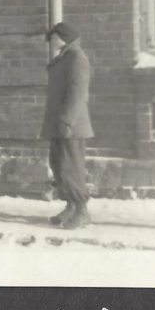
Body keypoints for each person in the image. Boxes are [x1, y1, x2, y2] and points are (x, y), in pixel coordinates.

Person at [42, 21, 93, 229]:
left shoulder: (76, 58)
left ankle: (82, 211)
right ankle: (71, 206)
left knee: (71, 168)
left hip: (70, 125)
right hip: (60, 123)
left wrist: (67, 120)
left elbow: (78, 93)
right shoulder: (64, 57)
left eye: (54, 37)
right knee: (59, 166)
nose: (51, 41)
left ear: (63, 37)